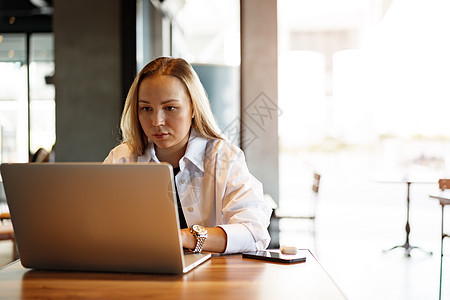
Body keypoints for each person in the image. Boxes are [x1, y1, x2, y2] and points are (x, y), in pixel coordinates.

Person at [104, 57, 271, 254]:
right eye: (146, 109)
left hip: (210, 278)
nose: (156, 121)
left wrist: (184, 237)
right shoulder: (122, 159)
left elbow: (254, 233)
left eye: (170, 108)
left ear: (193, 107)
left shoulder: (223, 156)